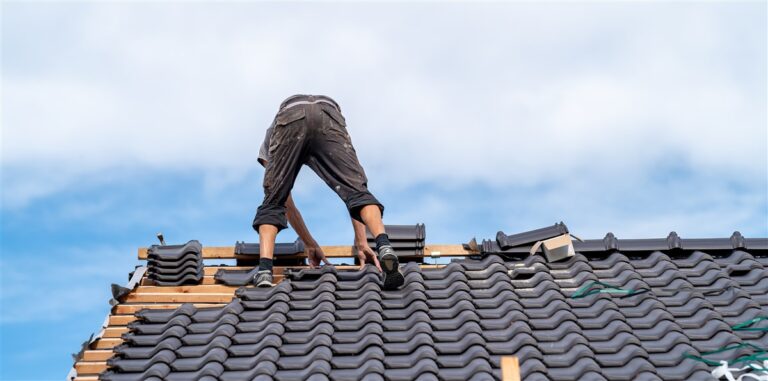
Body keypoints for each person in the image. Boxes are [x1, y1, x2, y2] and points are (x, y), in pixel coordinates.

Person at [251, 94, 404, 290]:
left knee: (273, 200)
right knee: (357, 191)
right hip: (328, 114)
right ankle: (384, 245)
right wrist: (362, 241)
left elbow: (284, 201)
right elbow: (353, 195)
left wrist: (309, 243)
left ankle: (264, 270)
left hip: (290, 114)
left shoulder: (270, 138)